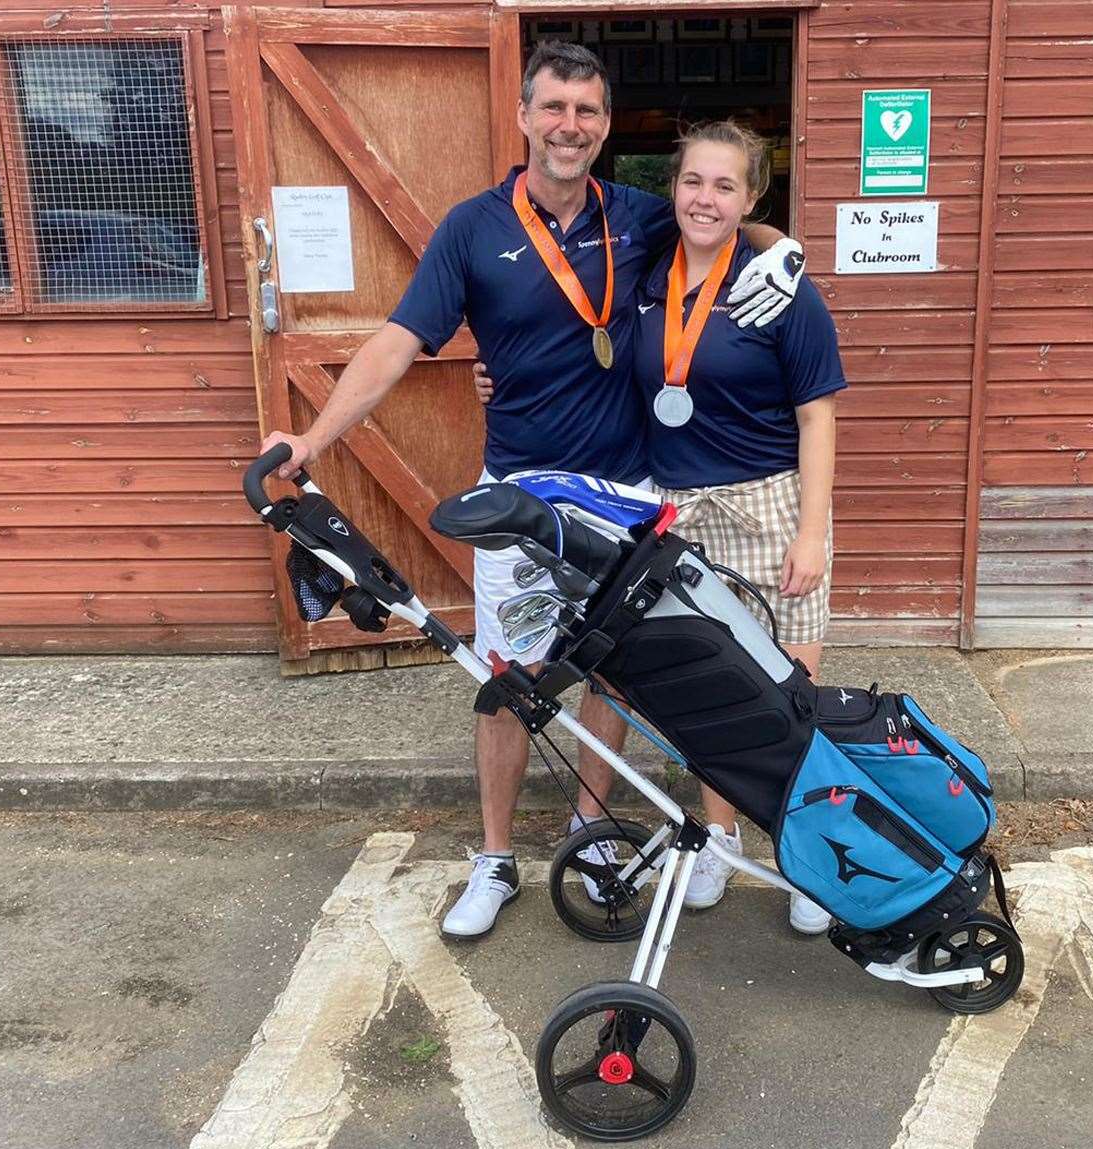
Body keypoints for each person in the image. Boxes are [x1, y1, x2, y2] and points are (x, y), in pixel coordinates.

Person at [257, 43, 808, 939]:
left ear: (603, 124)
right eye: (554, 108)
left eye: (588, 112)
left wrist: (785, 251)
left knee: (613, 676)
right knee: (508, 677)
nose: (571, 127)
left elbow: (727, 218)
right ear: (523, 118)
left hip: (625, 494)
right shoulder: (473, 229)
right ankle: (497, 857)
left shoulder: (637, 214)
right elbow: (398, 344)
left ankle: (590, 831)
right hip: (518, 494)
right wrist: (312, 436)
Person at [474, 119, 844, 933]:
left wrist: (811, 534)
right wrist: (503, 375)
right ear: (671, 189)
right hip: (677, 509)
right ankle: (718, 834)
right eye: (692, 182)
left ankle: (810, 861)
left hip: (769, 505)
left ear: (751, 198)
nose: (704, 198)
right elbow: (572, 337)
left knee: (790, 702)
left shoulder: (779, 288)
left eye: (724, 186)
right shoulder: (645, 268)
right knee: (713, 699)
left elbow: (818, 418)